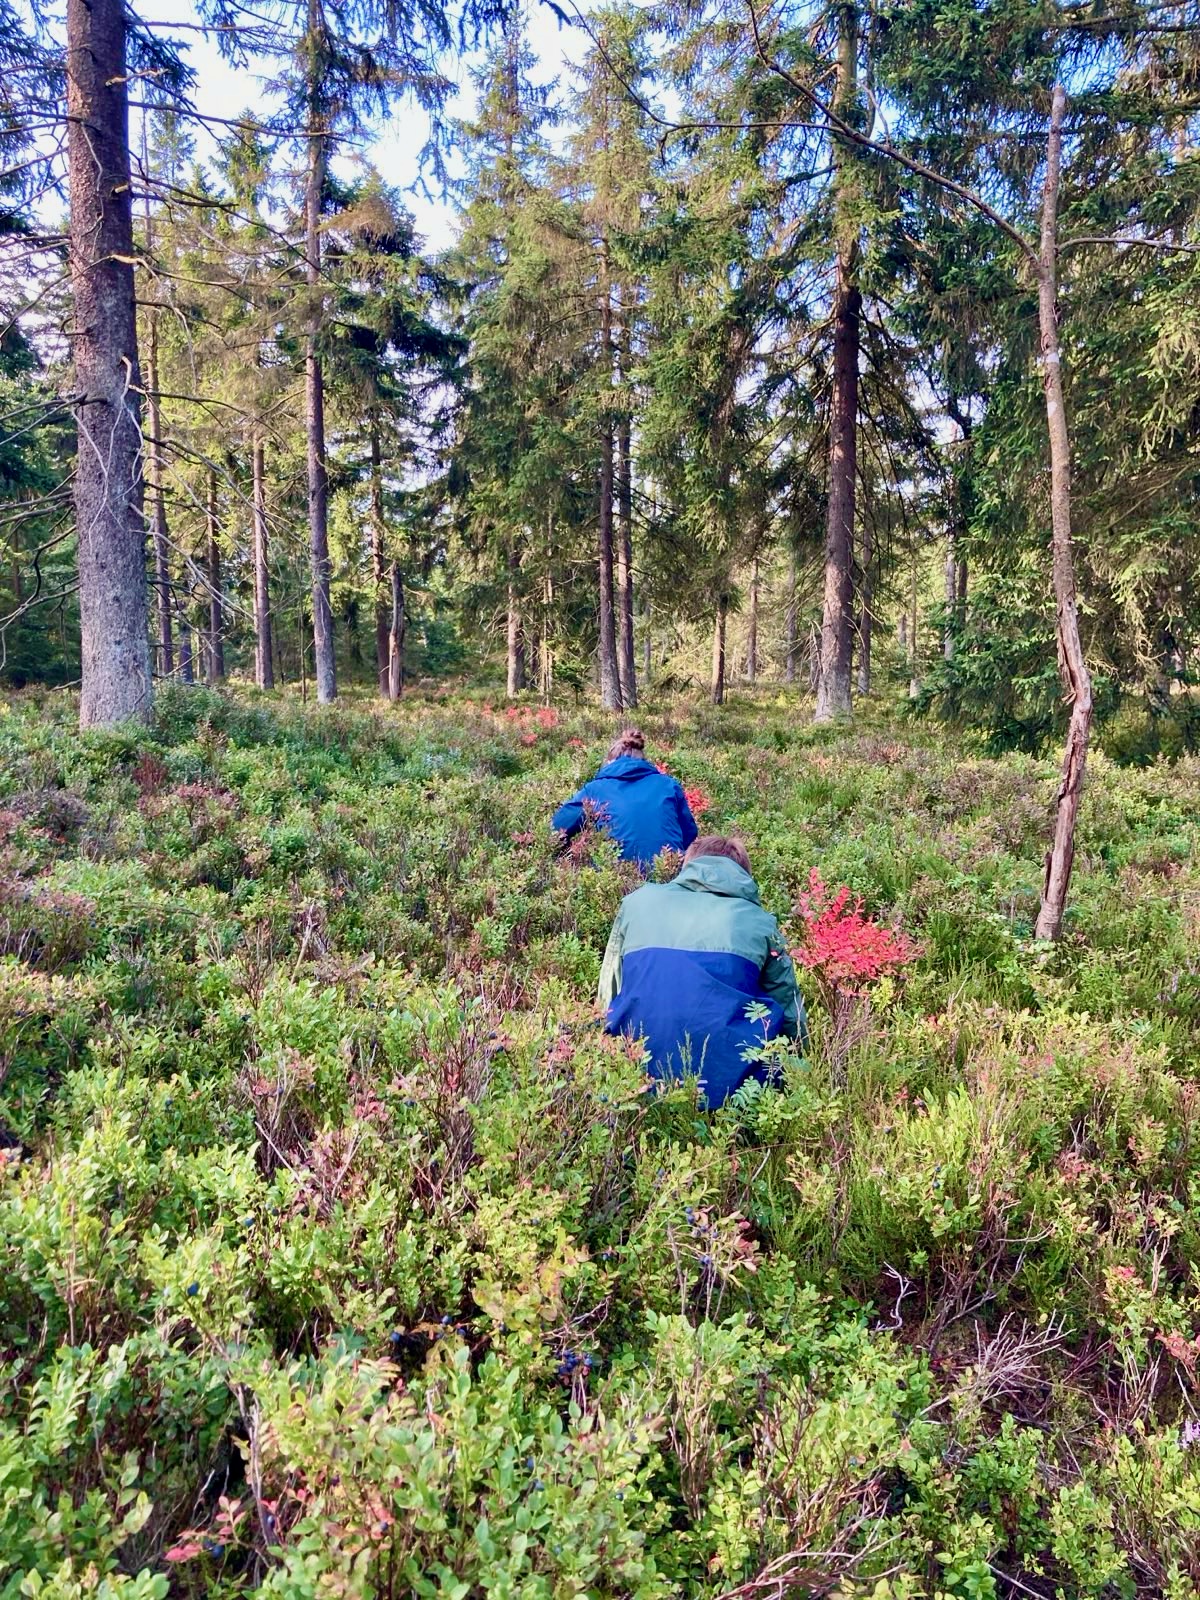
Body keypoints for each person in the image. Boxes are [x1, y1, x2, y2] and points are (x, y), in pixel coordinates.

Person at [598, 835, 806, 1107]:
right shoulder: (760, 922)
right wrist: (803, 1066)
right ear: (742, 873)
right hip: (731, 1095)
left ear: (688, 865)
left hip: (633, 1080)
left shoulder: (637, 903)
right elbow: (790, 1012)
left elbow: (608, 990)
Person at [552, 728, 698, 869]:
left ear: (610, 762)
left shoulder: (594, 790)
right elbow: (689, 833)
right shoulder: (668, 785)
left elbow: (556, 829)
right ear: (643, 760)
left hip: (614, 880)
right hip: (669, 877)